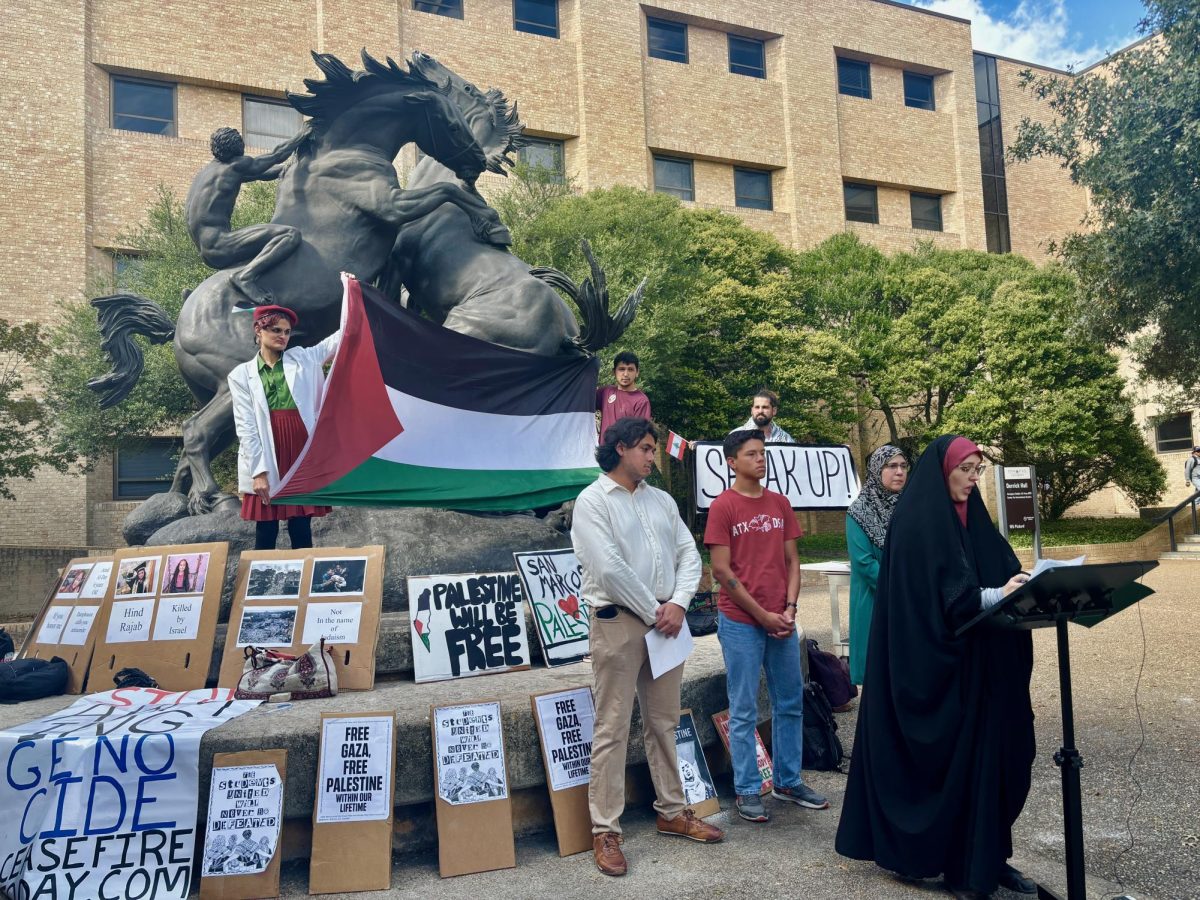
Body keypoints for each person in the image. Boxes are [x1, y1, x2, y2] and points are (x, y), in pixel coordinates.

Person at [835, 435, 1038, 900]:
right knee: (950, 766)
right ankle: (953, 863)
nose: (972, 479)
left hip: (984, 671)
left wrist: (1023, 587)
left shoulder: (974, 520)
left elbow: (996, 570)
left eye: (976, 470)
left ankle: (987, 855)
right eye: (964, 469)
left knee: (1002, 757)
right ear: (943, 468)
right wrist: (994, 597)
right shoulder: (918, 520)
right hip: (935, 670)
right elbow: (937, 601)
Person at [571, 417, 723, 876]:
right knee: (611, 726)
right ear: (619, 449)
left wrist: (677, 602)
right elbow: (609, 567)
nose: (652, 456)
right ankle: (605, 830)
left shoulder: (661, 500)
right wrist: (657, 609)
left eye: (654, 448)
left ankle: (672, 810)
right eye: (644, 448)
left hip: (665, 623)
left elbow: (688, 552)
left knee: (663, 720)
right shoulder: (592, 500)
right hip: (618, 622)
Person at [704, 429, 827, 823]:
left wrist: (789, 609)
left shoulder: (780, 503)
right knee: (743, 708)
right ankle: (746, 789)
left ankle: (788, 781)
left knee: (789, 701)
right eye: (751, 454)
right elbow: (721, 570)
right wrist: (763, 615)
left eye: (763, 453)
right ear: (731, 462)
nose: (761, 459)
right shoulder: (723, 507)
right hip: (742, 621)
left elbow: (793, 561)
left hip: (781, 620)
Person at [228, 305, 339, 550]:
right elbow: (246, 425)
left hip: (299, 446)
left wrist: (355, 297)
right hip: (266, 449)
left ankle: (304, 583)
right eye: (276, 330)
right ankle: (259, 584)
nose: (283, 336)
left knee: (301, 524)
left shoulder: (303, 358)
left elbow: (337, 341)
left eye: (287, 332)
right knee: (266, 526)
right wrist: (258, 472)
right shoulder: (240, 374)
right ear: (259, 330)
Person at [186, 126, 310, 307]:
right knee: (289, 235)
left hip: (207, 250)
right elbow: (276, 155)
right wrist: (303, 134)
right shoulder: (236, 165)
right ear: (238, 147)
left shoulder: (209, 173)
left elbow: (261, 173)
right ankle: (246, 277)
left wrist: (289, 169)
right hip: (220, 243)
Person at [845, 444, 908, 686]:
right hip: (876, 598)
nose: (899, 472)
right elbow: (864, 563)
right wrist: (902, 588)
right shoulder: (859, 511)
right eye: (891, 466)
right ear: (876, 470)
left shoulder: (911, 507)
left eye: (903, 466)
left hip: (910, 598)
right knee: (879, 671)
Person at [596, 351, 651, 440]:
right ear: (614, 372)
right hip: (603, 451)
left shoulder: (641, 400)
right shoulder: (605, 392)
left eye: (630, 369)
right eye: (621, 369)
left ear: (637, 372)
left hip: (624, 452)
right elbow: (584, 404)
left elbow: (640, 434)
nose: (625, 374)